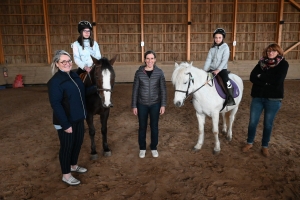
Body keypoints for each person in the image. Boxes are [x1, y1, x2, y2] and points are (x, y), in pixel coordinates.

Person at [47, 50, 87, 186]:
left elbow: (82, 93)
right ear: (57, 64)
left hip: (79, 118)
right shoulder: (55, 82)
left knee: (77, 143)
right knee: (67, 147)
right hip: (66, 121)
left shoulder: (74, 76)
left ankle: (73, 165)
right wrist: (65, 124)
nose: (67, 63)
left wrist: (99, 89)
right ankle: (66, 174)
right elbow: (56, 104)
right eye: (63, 61)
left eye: (69, 61)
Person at [242, 43, 289, 157]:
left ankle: (264, 146)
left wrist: (261, 77)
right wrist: (267, 81)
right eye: (268, 51)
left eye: (273, 51)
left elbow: (277, 80)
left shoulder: (283, 64)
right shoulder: (261, 63)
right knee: (253, 122)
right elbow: (252, 77)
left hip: (273, 99)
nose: (270, 53)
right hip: (258, 97)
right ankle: (249, 142)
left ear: (278, 52)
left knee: (268, 124)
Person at [131, 50, 167, 158]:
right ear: (145, 60)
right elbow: (135, 90)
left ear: (155, 60)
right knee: (142, 127)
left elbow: (163, 90)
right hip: (142, 104)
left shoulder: (159, 72)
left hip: (155, 104)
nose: (150, 61)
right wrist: (134, 105)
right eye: (147, 58)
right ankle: (142, 148)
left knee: (154, 126)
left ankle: (154, 147)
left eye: (152, 58)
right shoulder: (139, 73)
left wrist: (163, 105)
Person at [203, 28, 235, 106]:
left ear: (222, 38)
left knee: (226, 81)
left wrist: (218, 70)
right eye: (216, 37)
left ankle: (230, 98)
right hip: (212, 69)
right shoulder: (212, 48)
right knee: (204, 80)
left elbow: (224, 60)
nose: (217, 39)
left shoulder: (225, 47)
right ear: (214, 38)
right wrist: (204, 70)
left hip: (222, 69)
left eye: (219, 37)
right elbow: (208, 60)